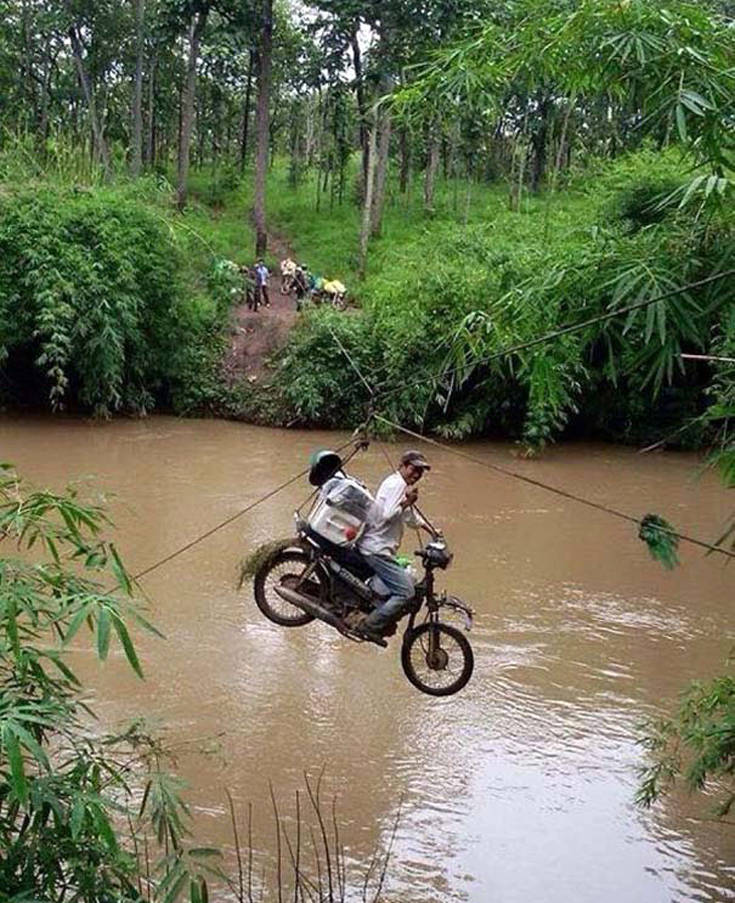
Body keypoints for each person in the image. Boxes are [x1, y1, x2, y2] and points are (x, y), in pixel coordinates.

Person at [356, 450, 434, 639]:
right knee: (406, 592)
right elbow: (388, 515)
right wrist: (408, 501)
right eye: (414, 469)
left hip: (378, 547)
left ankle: (373, 611)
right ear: (403, 466)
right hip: (376, 549)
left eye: (420, 472)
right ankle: (368, 626)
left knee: (405, 577)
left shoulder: (398, 483)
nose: (416, 475)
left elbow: (408, 517)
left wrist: (432, 531)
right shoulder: (397, 485)